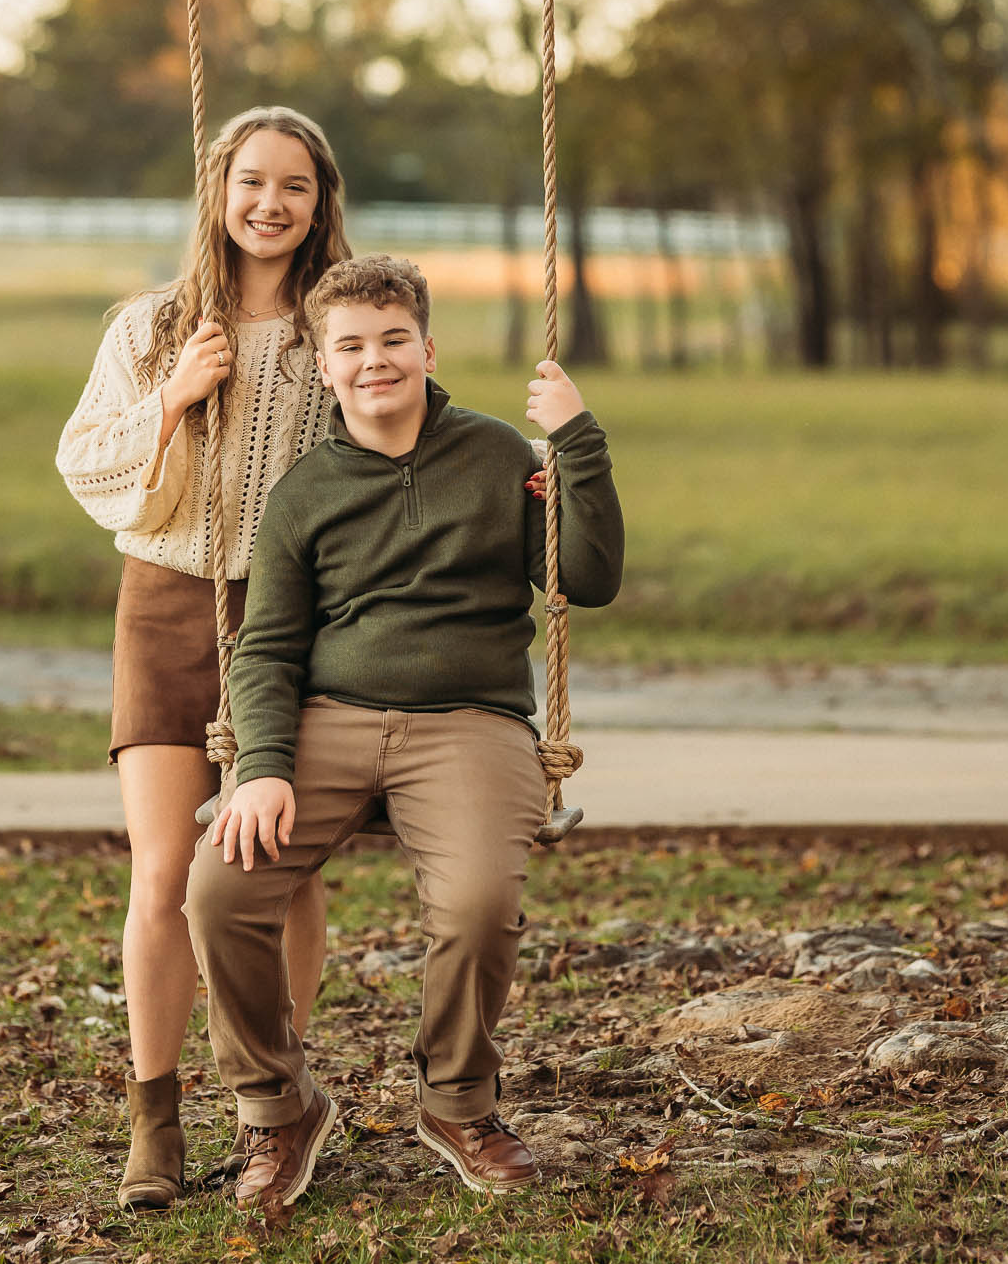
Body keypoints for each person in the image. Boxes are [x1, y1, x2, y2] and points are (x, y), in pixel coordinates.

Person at [184, 254, 624, 1208]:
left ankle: (458, 1102)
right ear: (323, 364)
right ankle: (278, 1108)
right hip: (329, 719)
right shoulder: (303, 493)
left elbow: (587, 580)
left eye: (393, 340)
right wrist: (261, 768)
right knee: (219, 890)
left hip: (470, 721)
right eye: (350, 346)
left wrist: (576, 442)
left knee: (476, 904)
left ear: (427, 349)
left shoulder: (499, 455)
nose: (373, 360)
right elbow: (266, 650)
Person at [56, 106, 350, 1207]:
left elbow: (400, 438)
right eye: (252, 181)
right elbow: (83, 458)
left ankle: (273, 1099)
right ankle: (154, 1115)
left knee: (283, 869)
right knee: (166, 873)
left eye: (295, 186)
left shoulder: (337, 328)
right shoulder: (151, 326)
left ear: (320, 204)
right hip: (167, 604)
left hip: (294, 615)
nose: (271, 203)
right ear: (219, 191)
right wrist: (176, 395)